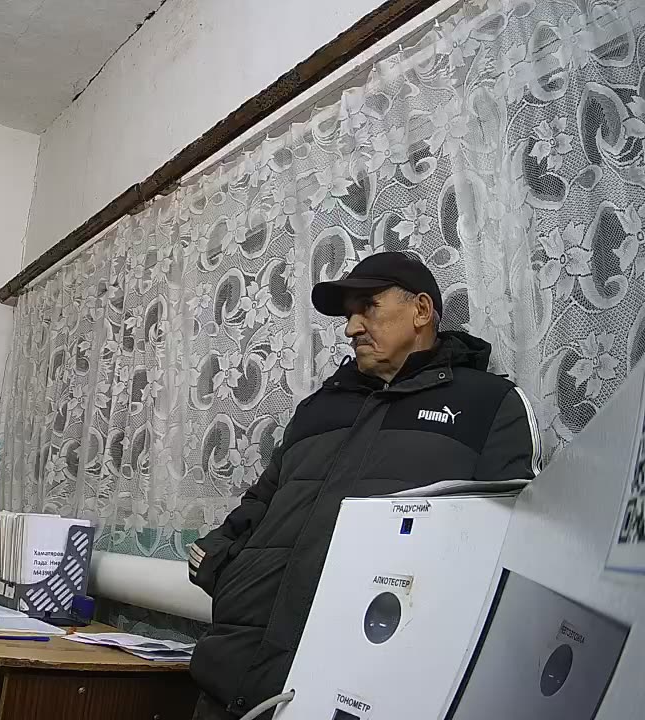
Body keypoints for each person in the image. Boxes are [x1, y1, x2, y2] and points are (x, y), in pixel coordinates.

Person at [186, 252, 540, 720]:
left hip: (364, 693)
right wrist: (223, 566)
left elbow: (513, 550)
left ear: (421, 310)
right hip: (230, 681)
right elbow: (261, 501)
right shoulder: (319, 408)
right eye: (348, 315)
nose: (351, 328)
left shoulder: (488, 406)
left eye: (368, 307)